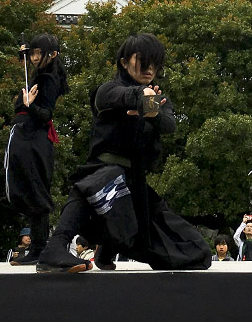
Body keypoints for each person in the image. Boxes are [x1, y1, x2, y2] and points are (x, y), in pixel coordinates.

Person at [35, 33, 213, 272]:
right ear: (124, 62)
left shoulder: (158, 99)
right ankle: (55, 246)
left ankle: (108, 248)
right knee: (102, 180)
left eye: (155, 63)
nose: (150, 68)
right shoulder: (108, 91)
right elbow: (114, 97)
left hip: (136, 187)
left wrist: (153, 113)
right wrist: (139, 97)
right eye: (143, 61)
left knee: (196, 252)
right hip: (103, 176)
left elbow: (170, 123)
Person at [5, 32, 68, 265]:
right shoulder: (40, 77)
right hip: (26, 136)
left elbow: (45, 115)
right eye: (32, 53)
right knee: (27, 189)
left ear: (52, 55)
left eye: (39, 53)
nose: (34, 57)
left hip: (33, 138)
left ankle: (39, 247)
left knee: (35, 191)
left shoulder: (48, 80)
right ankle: (38, 247)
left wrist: (27, 105)